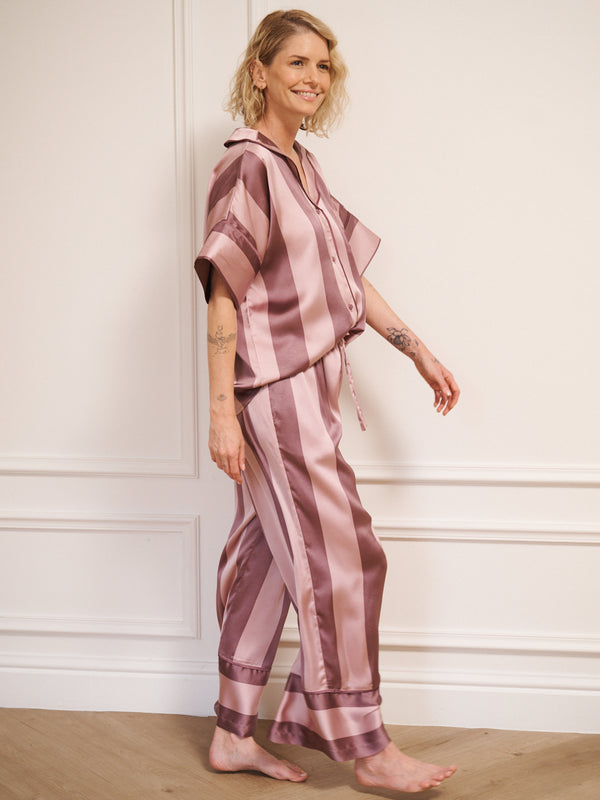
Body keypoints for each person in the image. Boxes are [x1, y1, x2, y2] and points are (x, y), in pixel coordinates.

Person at [194, 9, 460, 793]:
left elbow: (348, 277)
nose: (313, 77)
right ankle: (365, 745)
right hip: (273, 395)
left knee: (273, 561)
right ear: (261, 72)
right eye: (297, 63)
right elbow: (221, 296)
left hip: (304, 392)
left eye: (324, 66)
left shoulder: (301, 169)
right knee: (346, 555)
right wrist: (219, 413)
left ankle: (233, 733)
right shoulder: (248, 168)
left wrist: (418, 350)